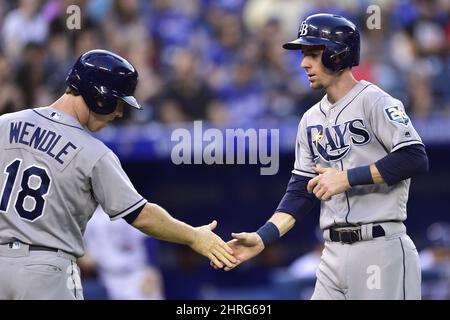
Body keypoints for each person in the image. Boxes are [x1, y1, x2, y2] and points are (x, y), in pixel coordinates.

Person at [218, 13, 429, 300]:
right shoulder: (310, 119)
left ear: (338, 55)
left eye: (313, 54)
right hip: (331, 255)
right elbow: (300, 192)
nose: (304, 63)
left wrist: (346, 178)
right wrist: (263, 237)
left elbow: (414, 157)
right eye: (305, 55)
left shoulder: (375, 101)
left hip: (380, 248)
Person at [0, 49, 236, 300]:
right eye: (118, 103)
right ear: (99, 97)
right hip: (46, 272)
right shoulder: (93, 152)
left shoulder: (5, 123)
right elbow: (141, 216)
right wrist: (194, 237)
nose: (119, 113)